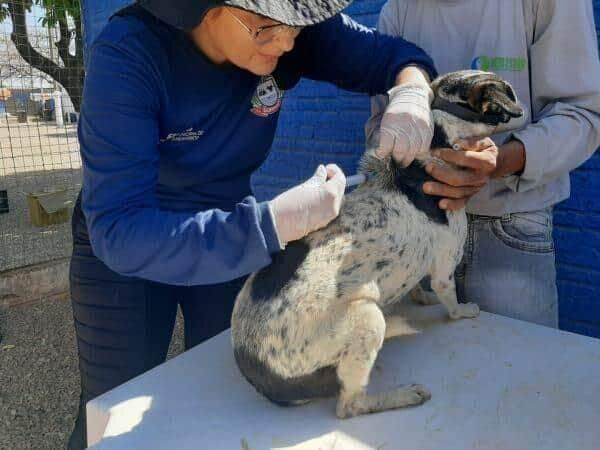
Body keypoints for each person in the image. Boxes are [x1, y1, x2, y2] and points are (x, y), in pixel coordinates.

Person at [68, 0, 439, 447]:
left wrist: (412, 92)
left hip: (228, 230)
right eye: (265, 27)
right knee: (115, 407)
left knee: (227, 392)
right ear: (204, 10)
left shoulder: (293, 27)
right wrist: (271, 226)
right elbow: (119, 230)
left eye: (296, 28)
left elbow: (396, 58)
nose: (286, 43)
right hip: (132, 243)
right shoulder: (128, 56)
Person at [367, 0, 600, 328]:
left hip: (510, 222)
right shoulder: (398, 9)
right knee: (422, 370)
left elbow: (584, 113)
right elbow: (379, 127)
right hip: (415, 222)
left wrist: (500, 162)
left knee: (516, 370)